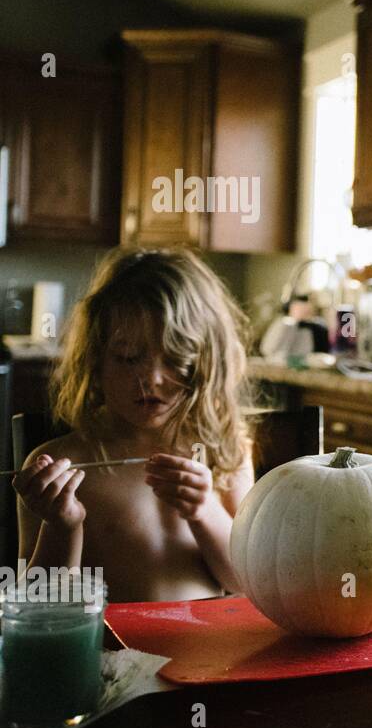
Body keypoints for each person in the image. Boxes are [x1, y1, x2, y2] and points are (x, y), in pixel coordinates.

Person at [12, 248, 253, 601]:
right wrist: (62, 527)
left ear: (205, 360)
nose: (151, 379)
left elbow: (245, 581)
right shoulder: (61, 462)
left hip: (209, 651)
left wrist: (205, 511)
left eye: (172, 357)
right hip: (113, 654)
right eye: (128, 358)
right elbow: (38, 602)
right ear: (95, 360)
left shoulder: (225, 449)